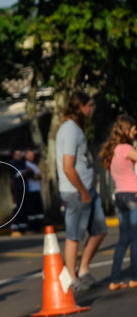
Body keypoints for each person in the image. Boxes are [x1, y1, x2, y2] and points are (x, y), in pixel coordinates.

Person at [55, 91, 106, 293]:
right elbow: (68, 166)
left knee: (100, 230)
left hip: (87, 189)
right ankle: (72, 277)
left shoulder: (76, 129)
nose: (91, 109)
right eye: (89, 106)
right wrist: (83, 191)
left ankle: (83, 269)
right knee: (74, 235)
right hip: (76, 192)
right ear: (81, 106)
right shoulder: (69, 129)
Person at [99, 115, 137, 290]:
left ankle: (114, 279)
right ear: (125, 130)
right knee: (135, 238)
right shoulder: (126, 148)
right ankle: (134, 277)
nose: (135, 131)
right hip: (132, 196)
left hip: (120, 196)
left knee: (123, 240)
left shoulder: (113, 150)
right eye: (133, 129)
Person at [23, 150, 43, 232]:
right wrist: (35, 175)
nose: (31, 157)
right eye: (29, 155)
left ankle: (38, 227)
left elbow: (39, 176)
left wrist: (36, 176)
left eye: (32, 155)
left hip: (37, 189)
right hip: (30, 191)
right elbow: (33, 176)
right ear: (26, 156)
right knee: (32, 210)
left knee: (39, 210)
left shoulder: (34, 165)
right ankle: (31, 228)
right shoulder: (25, 165)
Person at [9, 150, 27, 235]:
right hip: (16, 189)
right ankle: (15, 229)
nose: (19, 156)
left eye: (20, 154)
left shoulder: (22, 163)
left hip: (23, 188)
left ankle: (22, 228)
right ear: (13, 155)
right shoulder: (12, 163)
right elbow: (14, 175)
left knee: (23, 208)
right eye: (17, 154)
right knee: (16, 208)